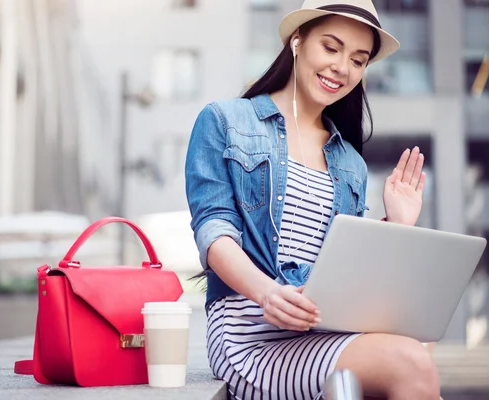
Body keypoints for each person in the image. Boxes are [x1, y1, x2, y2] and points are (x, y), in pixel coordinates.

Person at [184, 0, 440, 399]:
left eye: (358, 60)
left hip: (320, 330)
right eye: (332, 47)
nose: (343, 68)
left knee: (418, 349)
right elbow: (214, 232)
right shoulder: (225, 121)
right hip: (249, 336)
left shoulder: (350, 162)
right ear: (298, 41)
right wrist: (267, 292)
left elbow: (345, 269)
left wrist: (397, 225)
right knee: (408, 363)